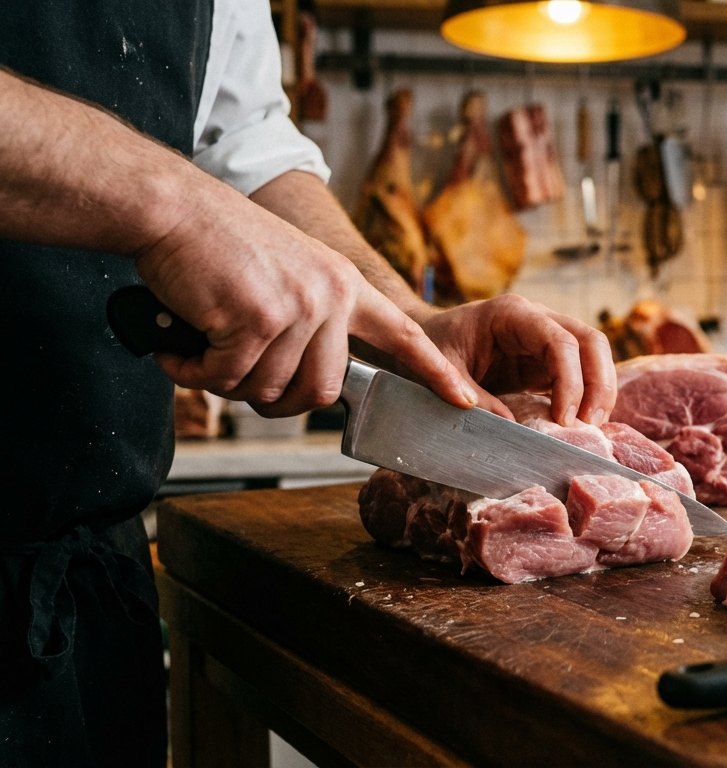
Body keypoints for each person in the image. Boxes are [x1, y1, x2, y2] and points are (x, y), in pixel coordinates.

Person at [0, 2, 614, 764]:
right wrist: (173, 207)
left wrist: (407, 328)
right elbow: (200, 195)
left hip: (79, 593)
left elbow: (244, 148)